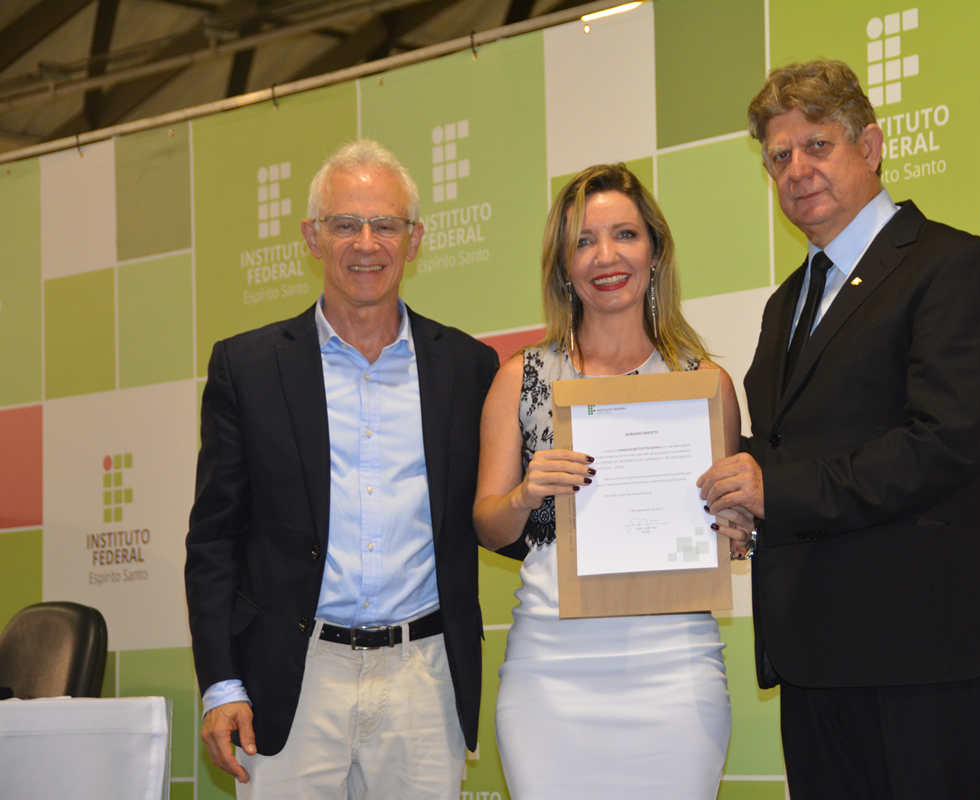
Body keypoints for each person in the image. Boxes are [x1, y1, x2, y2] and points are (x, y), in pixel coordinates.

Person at [697, 61, 980, 799]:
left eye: (817, 145)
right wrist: (724, 488)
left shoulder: (956, 266)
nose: (796, 170)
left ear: (871, 146)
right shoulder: (787, 302)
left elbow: (944, 440)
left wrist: (772, 491)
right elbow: (789, 449)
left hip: (920, 658)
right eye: (778, 156)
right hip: (812, 659)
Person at [185, 139, 498, 799]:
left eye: (385, 224)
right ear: (311, 237)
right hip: (292, 679)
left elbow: (497, 511)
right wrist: (221, 683)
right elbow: (214, 540)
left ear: (414, 240)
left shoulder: (469, 368)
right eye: (345, 224)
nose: (366, 243)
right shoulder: (247, 369)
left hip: (424, 679)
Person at [473, 164, 746, 799]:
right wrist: (525, 494)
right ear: (562, 267)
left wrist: (737, 529)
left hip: (675, 670)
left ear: (655, 251)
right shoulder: (521, 378)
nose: (606, 257)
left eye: (624, 234)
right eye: (583, 241)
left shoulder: (705, 384)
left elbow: (730, 531)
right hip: (551, 672)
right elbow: (488, 528)